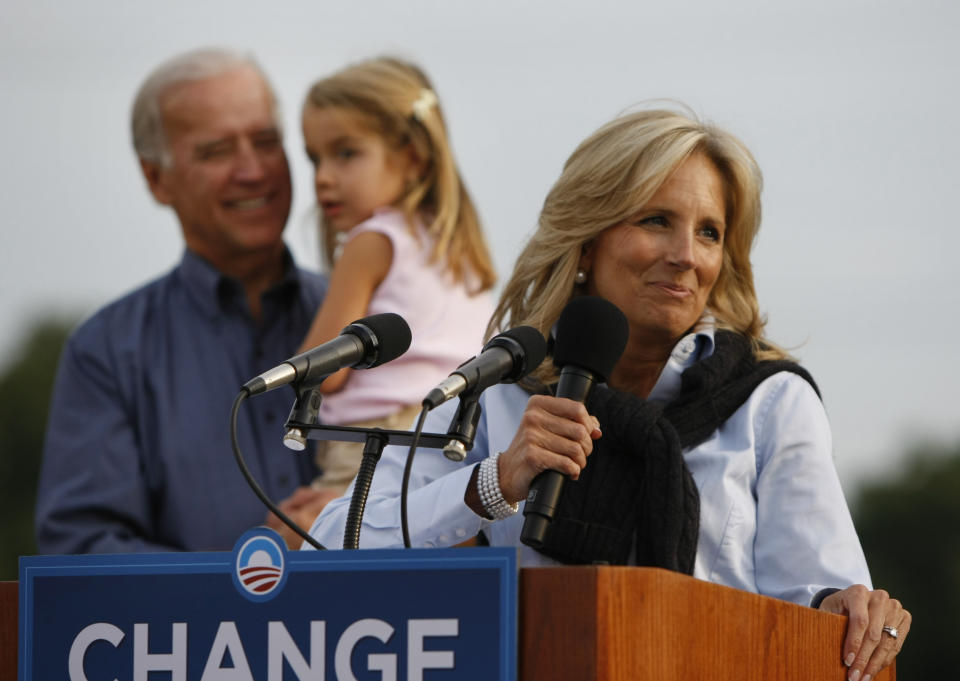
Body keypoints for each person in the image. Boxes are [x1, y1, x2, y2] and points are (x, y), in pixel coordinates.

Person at [310, 107, 910, 679]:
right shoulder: (498, 389)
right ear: (588, 239)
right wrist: (493, 483)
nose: (685, 257)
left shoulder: (769, 401)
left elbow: (824, 608)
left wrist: (853, 612)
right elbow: (335, 541)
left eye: (709, 233)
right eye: (656, 221)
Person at [35, 48, 328, 553]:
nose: (253, 171)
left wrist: (360, 518)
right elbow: (82, 547)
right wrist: (252, 575)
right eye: (216, 151)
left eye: (265, 141)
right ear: (156, 179)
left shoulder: (369, 325)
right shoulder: (105, 352)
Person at [266, 57, 495, 541]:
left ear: (412, 156)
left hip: (369, 448)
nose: (323, 177)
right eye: (314, 159)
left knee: (292, 541)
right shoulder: (459, 252)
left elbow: (322, 374)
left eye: (345, 153)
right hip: (452, 444)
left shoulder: (371, 243)